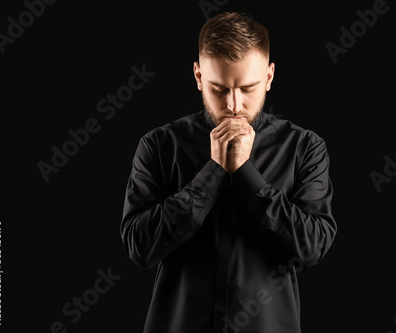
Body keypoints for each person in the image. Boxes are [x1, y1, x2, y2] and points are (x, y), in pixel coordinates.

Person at [120, 12, 336, 333]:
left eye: (247, 88)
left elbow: (313, 246)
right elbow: (139, 246)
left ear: (269, 77)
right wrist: (213, 171)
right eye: (218, 89)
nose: (234, 105)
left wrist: (246, 174)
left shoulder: (304, 148)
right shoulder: (159, 145)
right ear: (198, 77)